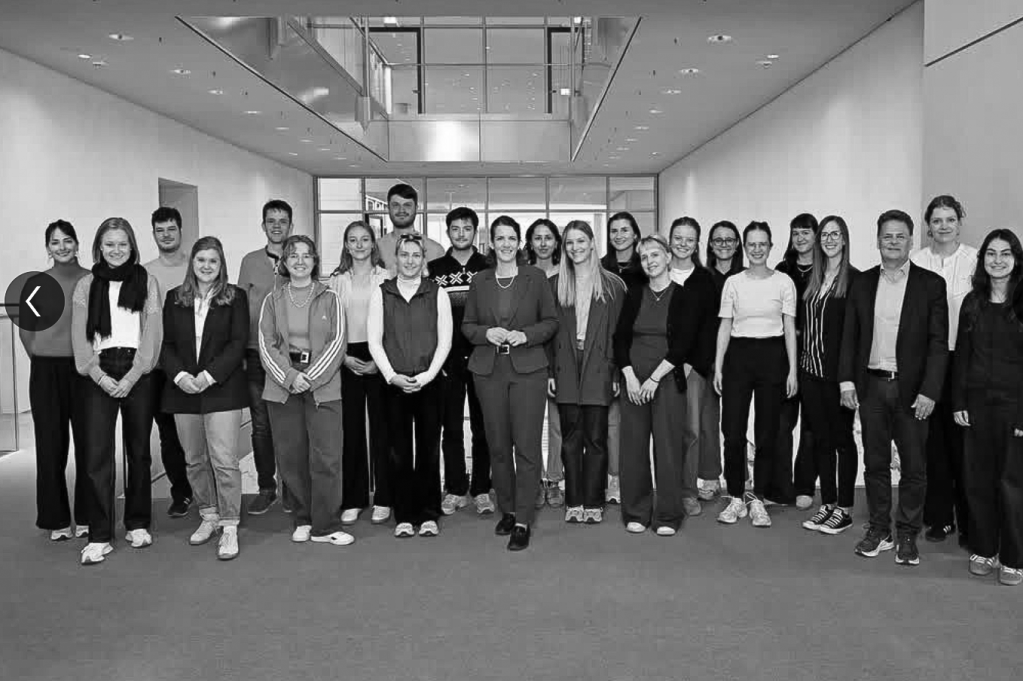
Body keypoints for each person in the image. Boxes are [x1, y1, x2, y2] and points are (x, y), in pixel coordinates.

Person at [839, 209, 948, 567]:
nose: (893, 242)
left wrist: (930, 391)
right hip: (871, 387)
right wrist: (846, 381)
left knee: (915, 467)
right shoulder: (862, 283)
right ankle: (879, 529)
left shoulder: (931, 285)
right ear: (877, 240)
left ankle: (906, 534)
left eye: (900, 236)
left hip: (912, 391)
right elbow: (850, 336)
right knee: (875, 464)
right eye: (887, 236)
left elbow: (937, 343)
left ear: (911, 240)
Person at [462, 215, 558, 551]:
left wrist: (525, 335)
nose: (505, 244)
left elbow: (550, 322)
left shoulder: (535, 277)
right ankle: (508, 509)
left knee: (527, 447)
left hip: (528, 370)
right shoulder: (480, 281)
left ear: (520, 243)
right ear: (491, 243)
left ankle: (523, 519)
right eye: (499, 238)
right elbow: (468, 326)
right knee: (498, 447)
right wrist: (485, 333)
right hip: (489, 371)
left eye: (511, 238)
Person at [71, 218, 163, 566]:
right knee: (97, 455)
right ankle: (99, 535)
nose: (116, 250)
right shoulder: (85, 285)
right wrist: (97, 374)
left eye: (122, 243)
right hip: (97, 369)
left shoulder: (147, 282)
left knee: (139, 451)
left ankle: (137, 523)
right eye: (109, 244)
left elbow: (153, 332)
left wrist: (134, 373)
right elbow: (78, 336)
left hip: (138, 369)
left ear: (132, 246)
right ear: (99, 247)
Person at [258, 235, 351, 546]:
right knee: (291, 458)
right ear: (284, 262)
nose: (299, 261)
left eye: (306, 255)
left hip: (323, 387)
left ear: (315, 260)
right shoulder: (272, 301)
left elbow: (337, 343)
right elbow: (265, 344)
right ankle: (303, 518)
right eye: (293, 255)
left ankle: (326, 524)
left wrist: (308, 377)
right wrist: (289, 377)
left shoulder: (330, 298)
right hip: (283, 390)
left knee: (326, 457)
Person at [160, 237, 248, 560]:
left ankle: (230, 525)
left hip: (222, 387)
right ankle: (208, 516)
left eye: (213, 261)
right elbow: (165, 344)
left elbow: (238, 342)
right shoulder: (174, 298)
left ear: (221, 264)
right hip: (183, 389)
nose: (207, 266)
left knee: (224, 459)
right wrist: (181, 377)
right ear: (192, 264)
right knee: (194, 459)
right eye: (201, 261)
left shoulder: (235, 297)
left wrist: (208, 376)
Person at [614, 234, 706, 536]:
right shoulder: (634, 294)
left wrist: (654, 379)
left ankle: (668, 515)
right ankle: (636, 511)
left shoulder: (684, 296)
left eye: (655, 255)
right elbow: (620, 339)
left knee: (667, 448)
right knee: (633, 448)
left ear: (667, 257)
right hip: (633, 384)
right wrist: (629, 376)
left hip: (666, 381)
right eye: (644, 257)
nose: (650, 261)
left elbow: (683, 344)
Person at [714, 222, 798, 529]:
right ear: (744, 247)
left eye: (763, 243)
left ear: (771, 246)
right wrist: (719, 366)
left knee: (767, 433)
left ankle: (758, 497)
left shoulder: (784, 282)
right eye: (752, 244)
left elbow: (789, 328)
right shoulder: (734, 282)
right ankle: (736, 495)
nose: (757, 249)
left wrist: (792, 370)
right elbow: (725, 326)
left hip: (773, 357)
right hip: (738, 356)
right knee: (733, 431)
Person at [368, 234, 453, 537]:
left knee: (429, 450)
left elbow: (446, 341)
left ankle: (428, 512)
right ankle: (404, 514)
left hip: (429, 384)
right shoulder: (382, 293)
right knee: (398, 451)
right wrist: (392, 375)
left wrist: (427, 376)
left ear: (423, 260)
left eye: (416, 255)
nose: (410, 261)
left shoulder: (437, 293)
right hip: (393, 384)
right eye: (405, 255)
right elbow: (374, 341)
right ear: (396, 258)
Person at [952, 229, 1023, 586]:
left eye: (1005, 253)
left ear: (1016, 259)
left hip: (1014, 407)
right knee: (977, 481)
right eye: (991, 254)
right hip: (977, 405)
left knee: (1012, 485)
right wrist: (959, 401)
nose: (997, 260)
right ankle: (984, 548)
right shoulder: (972, 302)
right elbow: (962, 357)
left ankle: (1013, 557)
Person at [548, 221, 626, 523]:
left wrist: (618, 373)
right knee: (571, 438)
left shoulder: (613, 285)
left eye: (581, 241)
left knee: (595, 437)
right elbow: (549, 332)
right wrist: (550, 373)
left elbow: (621, 334)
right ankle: (574, 501)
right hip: (566, 364)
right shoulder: (555, 284)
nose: (575, 248)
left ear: (593, 243)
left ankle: (594, 501)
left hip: (600, 366)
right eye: (569, 243)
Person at [912, 195, 977, 545]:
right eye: (937, 220)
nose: (943, 226)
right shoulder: (917, 260)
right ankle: (940, 517)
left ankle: (970, 520)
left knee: (964, 445)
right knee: (932, 444)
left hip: (965, 362)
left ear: (959, 221)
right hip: (927, 363)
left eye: (950, 219)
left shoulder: (975, 260)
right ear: (928, 225)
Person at [19, 220, 90, 541]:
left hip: (84, 370)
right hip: (46, 371)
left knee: (90, 446)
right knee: (50, 446)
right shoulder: (38, 283)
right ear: (47, 248)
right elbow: (26, 332)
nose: (62, 247)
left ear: (77, 244)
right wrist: (44, 357)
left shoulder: (92, 279)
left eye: (67, 241)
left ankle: (89, 515)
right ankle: (56, 518)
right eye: (55, 242)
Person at [429, 207, 494, 516]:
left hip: (484, 357)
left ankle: (482, 488)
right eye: (455, 229)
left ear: (475, 231)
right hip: (447, 358)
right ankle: (456, 487)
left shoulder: (489, 266)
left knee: (484, 427)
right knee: (451, 426)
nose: (460, 233)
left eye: (466, 228)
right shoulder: (435, 268)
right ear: (448, 232)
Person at [797, 216, 860, 536]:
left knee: (843, 441)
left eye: (836, 234)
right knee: (820, 441)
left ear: (845, 239)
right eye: (825, 234)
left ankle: (845, 508)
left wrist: (849, 379)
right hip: (811, 374)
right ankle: (829, 502)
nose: (830, 239)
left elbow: (856, 336)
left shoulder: (856, 280)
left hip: (839, 378)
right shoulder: (815, 279)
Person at [330, 221, 392, 526]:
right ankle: (353, 498)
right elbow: (328, 326)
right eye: (352, 240)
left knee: (383, 429)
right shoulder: (336, 280)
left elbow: (392, 324)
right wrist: (342, 357)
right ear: (346, 244)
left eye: (364, 239)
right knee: (351, 430)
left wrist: (380, 362)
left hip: (379, 355)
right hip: (346, 357)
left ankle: (383, 497)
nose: (358, 245)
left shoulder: (386, 277)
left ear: (373, 244)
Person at [238, 199, 292, 515]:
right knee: (261, 426)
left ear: (290, 226)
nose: (276, 225)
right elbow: (240, 309)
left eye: (282, 221)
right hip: (256, 356)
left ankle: (291, 487)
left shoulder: (297, 258)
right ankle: (266, 487)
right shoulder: (249, 261)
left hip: (289, 358)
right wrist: (242, 352)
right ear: (263, 226)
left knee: (288, 424)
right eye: (271, 220)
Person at [142, 206, 194, 518]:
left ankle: (207, 488)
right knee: (169, 433)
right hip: (160, 368)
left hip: (193, 363)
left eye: (171, 229)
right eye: (160, 230)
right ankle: (181, 492)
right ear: (154, 234)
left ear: (180, 230)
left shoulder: (196, 266)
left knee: (198, 432)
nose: (166, 235)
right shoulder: (145, 272)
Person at [666, 217, 719, 517]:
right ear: (669, 239)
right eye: (678, 237)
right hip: (659, 367)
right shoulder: (657, 272)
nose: (682, 243)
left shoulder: (705, 279)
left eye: (689, 239)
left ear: (696, 243)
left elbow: (709, 328)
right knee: (662, 431)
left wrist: (690, 364)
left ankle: (688, 491)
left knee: (691, 431)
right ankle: (665, 488)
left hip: (693, 369)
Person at [600, 211, 647, 504]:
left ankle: (626, 479)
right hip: (606, 353)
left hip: (637, 354)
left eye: (625, 230)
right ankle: (607, 479)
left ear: (635, 234)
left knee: (627, 425)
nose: (619, 235)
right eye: (614, 230)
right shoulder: (601, 268)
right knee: (605, 423)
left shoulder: (645, 270)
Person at [774, 213, 819, 509]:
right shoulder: (781, 269)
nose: (800, 238)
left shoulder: (828, 269)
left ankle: (804, 484)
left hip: (816, 358)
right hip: (784, 356)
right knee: (780, 423)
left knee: (812, 426)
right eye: (795, 233)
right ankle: (781, 484)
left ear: (815, 235)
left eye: (805, 232)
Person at [701, 219, 745, 500]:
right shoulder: (702, 276)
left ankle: (739, 476)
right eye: (718, 240)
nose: (724, 245)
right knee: (707, 423)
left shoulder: (747, 276)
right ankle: (710, 476)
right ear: (710, 245)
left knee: (735, 425)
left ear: (738, 244)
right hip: (706, 360)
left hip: (740, 359)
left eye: (729, 240)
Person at [526, 218, 565, 509]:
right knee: (529, 424)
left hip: (560, 358)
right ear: (529, 242)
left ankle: (553, 480)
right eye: (537, 237)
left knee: (557, 424)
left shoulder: (567, 274)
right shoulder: (523, 275)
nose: (542, 242)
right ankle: (534, 481)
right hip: (527, 356)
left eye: (548, 237)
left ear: (556, 242)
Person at [376, 184, 445, 274]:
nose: (401, 210)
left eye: (407, 205)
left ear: (416, 208)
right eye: (395, 205)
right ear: (388, 208)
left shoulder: (435, 250)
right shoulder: (376, 248)